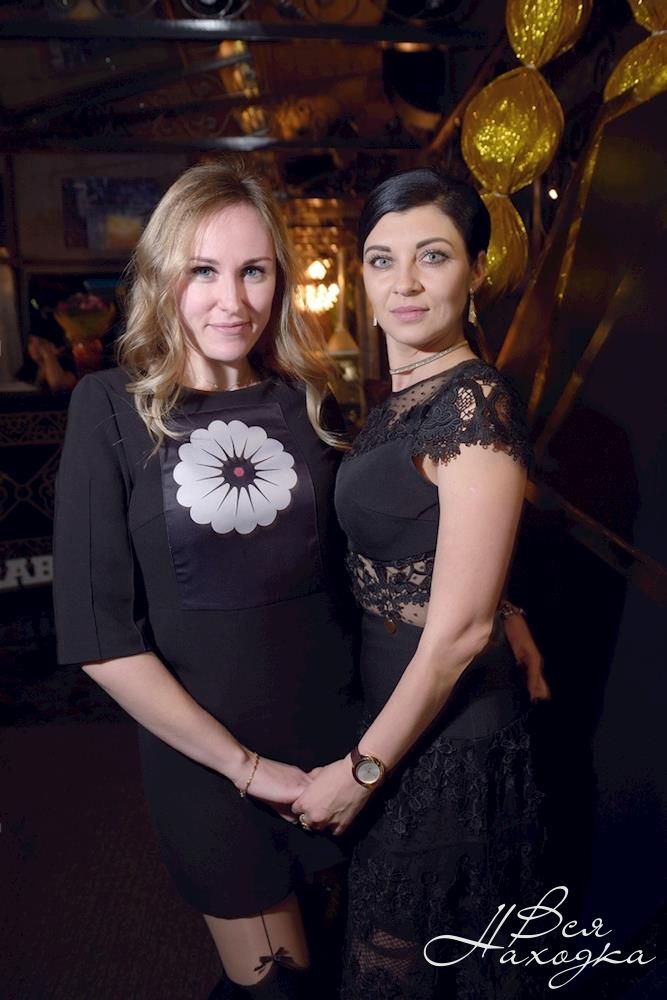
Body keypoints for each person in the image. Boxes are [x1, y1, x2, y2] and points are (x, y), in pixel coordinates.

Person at [52, 160, 362, 1000]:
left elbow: (366, 564)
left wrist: (500, 602)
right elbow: (100, 637)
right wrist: (248, 770)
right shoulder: (109, 408)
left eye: (253, 270)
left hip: (343, 751)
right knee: (279, 991)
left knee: (349, 972)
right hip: (214, 773)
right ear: (163, 278)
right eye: (203, 271)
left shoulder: (311, 401)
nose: (233, 300)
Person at [292, 168, 547, 999]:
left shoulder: (473, 402)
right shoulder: (407, 397)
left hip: (447, 746)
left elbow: (459, 632)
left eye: (431, 256)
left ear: (476, 271)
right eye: (381, 259)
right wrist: (506, 602)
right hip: (400, 722)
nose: (403, 282)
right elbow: (442, 545)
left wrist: (359, 771)